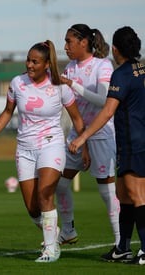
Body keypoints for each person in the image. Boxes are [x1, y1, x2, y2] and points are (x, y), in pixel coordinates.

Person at [0, 40, 86, 262]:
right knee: (32, 208)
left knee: (45, 193)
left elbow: (77, 118)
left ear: (47, 64)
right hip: (25, 149)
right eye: (28, 60)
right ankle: (53, 231)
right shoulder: (17, 83)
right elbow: (8, 111)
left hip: (52, 144)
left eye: (35, 61)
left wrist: (84, 146)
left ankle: (50, 249)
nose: (29, 65)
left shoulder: (60, 87)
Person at [70, 26, 145, 265]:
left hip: (134, 142)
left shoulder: (121, 74)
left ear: (115, 48)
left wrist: (82, 138)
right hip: (130, 143)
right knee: (123, 195)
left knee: (137, 195)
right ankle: (122, 247)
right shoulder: (142, 68)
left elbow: (107, 111)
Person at [55, 24, 120, 249]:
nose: (66, 47)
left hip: (101, 135)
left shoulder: (103, 65)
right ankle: (68, 230)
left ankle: (120, 240)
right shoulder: (70, 68)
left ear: (84, 42)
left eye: (69, 41)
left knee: (106, 190)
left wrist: (73, 85)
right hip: (77, 134)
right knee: (60, 184)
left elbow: (103, 100)